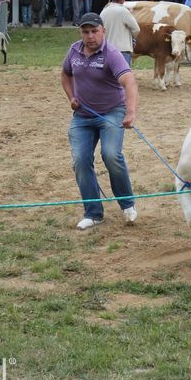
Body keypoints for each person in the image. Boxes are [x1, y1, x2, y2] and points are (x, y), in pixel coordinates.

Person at [61, 12, 139, 231]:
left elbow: (129, 82)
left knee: (111, 155)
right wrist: (71, 97)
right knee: (80, 160)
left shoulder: (112, 54)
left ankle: (127, 204)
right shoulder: (74, 51)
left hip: (111, 113)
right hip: (82, 116)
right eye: (85, 32)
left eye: (94, 31)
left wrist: (130, 112)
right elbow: (65, 74)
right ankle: (93, 213)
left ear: (103, 31)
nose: (90, 36)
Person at [100, 0, 140, 65]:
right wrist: (131, 38)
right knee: (123, 72)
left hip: (107, 49)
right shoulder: (123, 11)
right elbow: (136, 29)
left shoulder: (104, 11)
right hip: (122, 50)